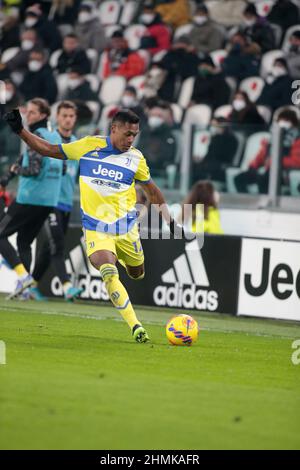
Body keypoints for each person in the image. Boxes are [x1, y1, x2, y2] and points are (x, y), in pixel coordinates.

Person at [3, 108, 183, 343]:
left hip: (127, 229)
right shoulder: (89, 146)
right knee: (108, 271)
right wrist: (20, 131)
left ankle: (131, 265)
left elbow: (154, 192)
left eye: (135, 136)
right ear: (114, 129)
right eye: (127, 134)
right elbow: (48, 149)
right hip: (97, 229)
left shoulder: (136, 158)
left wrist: (169, 221)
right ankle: (136, 326)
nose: (131, 140)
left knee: (137, 273)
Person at [0, 98, 63, 298]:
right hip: (48, 201)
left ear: (44, 115)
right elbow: (62, 170)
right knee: (24, 242)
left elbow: (33, 169)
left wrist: (15, 169)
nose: (28, 115)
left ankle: (23, 276)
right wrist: (8, 176)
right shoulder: (55, 136)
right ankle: (24, 290)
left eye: (33, 112)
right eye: (28, 111)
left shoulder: (36, 135)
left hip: (29, 198)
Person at [30, 101, 82, 301]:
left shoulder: (77, 143)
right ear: (57, 118)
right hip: (49, 202)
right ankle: (67, 286)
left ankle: (30, 284)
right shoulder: (50, 141)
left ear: (75, 119)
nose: (68, 119)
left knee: (48, 247)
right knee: (58, 243)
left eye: (71, 116)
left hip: (67, 203)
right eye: (64, 115)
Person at [234, 109, 300, 194]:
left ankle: (266, 203)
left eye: (286, 120)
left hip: (283, 173)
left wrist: (275, 162)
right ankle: (247, 201)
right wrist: (253, 165)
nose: (283, 123)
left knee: (264, 179)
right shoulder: (271, 138)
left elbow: (296, 161)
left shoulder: (297, 140)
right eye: (281, 120)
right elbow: (262, 155)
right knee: (239, 179)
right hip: (266, 170)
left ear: (293, 123)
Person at [192, 117, 239, 184]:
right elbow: (209, 153)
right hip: (210, 162)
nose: (212, 127)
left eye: (214, 125)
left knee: (203, 167)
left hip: (220, 164)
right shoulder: (215, 137)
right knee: (194, 165)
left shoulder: (232, 139)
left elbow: (225, 156)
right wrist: (201, 159)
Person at [156, 35, 199, 102]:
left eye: (183, 44)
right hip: (168, 77)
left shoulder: (192, 56)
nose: (181, 46)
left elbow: (192, 70)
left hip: (182, 80)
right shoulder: (170, 54)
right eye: (179, 43)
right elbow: (163, 64)